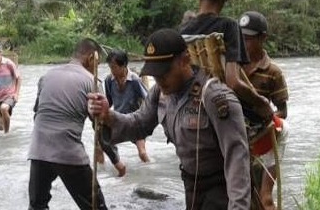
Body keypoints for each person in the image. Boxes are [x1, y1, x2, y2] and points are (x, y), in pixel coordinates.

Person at [88, 29, 251, 210]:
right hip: (191, 184)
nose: (159, 80)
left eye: (164, 73)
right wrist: (107, 115)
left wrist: (238, 207)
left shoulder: (214, 97)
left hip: (220, 187)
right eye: (155, 74)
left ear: (185, 60)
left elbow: (237, 158)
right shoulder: (160, 93)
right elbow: (139, 124)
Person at [179, 0, 273, 122]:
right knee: (277, 126)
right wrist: (261, 102)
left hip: (190, 109)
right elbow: (233, 82)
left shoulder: (180, 32)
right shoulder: (229, 26)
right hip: (223, 110)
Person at [28, 38, 108, 210]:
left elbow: (37, 114)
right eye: (98, 63)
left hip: (38, 150)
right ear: (91, 58)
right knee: (96, 207)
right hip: (69, 153)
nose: (97, 68)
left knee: (37, 206)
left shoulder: (46, 76)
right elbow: (100, 125)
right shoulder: (91, 82)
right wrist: (113, 158)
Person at [239, 11, 289, 210]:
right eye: (240, 38)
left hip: (266, 138)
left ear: (263, 38)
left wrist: (263, 120)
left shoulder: (273, 72)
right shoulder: (233, 67)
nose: (244, 43)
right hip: (239, 137)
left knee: (265, 198)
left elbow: (283, 111)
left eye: (249, 39)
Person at [101, 49, 150, 177]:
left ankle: (150, 177)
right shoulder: (108, 81)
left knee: (142, 153)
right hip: (118, 120)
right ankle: (108, 175)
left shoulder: (134, 80)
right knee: (101, 145)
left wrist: (146, 118)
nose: (112, 70)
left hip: (135, 121)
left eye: (114, 67)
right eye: (110, 67)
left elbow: (148, 99)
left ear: (123, 66)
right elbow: (109, 102)